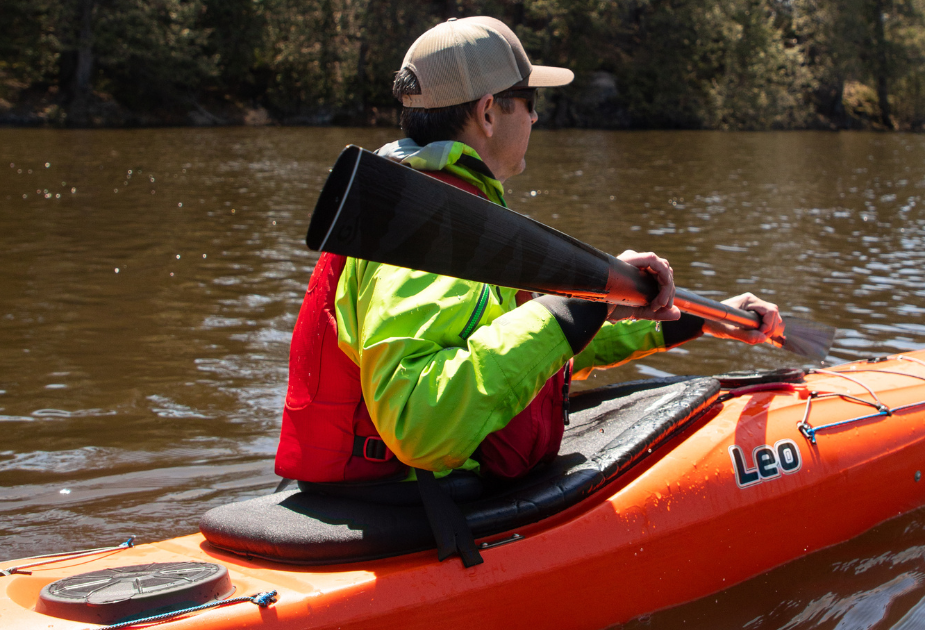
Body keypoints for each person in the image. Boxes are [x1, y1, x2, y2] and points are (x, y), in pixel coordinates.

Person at [274, 16, 783, 491]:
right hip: (404, 502)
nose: (537, 116)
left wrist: (692, 321)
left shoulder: (436, 205)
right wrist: (576, 308)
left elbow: (532, 347)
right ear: (489, 112)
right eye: (530, 99)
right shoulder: (430, 227)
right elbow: (419, 423)